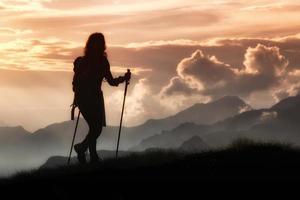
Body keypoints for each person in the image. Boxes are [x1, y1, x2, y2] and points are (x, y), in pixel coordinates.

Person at [72, 32, 131, 164]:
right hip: (94, 98)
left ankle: (92, 157)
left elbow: (76, 83)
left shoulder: (83, 61)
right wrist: (124, 78)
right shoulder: (102, 62)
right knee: (96, 128)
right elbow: (112, 82)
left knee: (94, 127)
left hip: (82, 99)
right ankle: (82, 148)